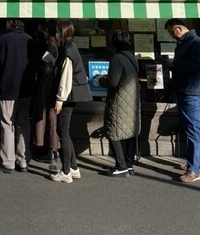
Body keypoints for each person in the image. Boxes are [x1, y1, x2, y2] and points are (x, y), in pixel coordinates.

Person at [162, 19, 200, 183]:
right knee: (195, 128)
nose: (172, 36)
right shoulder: (189, 42)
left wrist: (174, 63)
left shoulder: (195, 43)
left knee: (192, 129)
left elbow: (196, 65)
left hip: (193, 92)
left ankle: (193, 170)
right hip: (191, 91)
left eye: (171, 32)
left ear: (179, 28)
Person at [51, 20, 92, 183]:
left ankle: (66, 171)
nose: (56, 34)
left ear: (63, 32)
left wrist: (60, 99)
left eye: (57, 31)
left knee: (63, 132)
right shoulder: (70, 47)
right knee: (65, 132)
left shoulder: (68, 50)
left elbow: (66, 77)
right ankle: (73, 168)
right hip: (72, 95)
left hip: (68, 96)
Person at [0, 19, 36, 173]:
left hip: (7, 88)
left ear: (10, 23)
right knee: (23, 123)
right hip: (26, 89)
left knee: (7, 124)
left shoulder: (4, 39)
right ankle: (22, 160)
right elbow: (35, 63)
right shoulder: (29, 39)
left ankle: (8, 162)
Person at [98, 30, 140, 177]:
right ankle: (129, 164)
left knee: (113, 130)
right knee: (130, 132)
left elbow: (113, 82)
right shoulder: (132, 57)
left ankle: (121, 166)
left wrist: (100, 79)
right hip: (132, 100)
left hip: (119, 100)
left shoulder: (116, 58)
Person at [32, 20, 60, 163]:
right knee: (51, 116)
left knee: (46, 116)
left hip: (47, 85)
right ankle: (53, 148)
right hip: (53, 85)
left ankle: (49, 149)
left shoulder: (51, 47)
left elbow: (45, 66)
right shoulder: (57, 46)